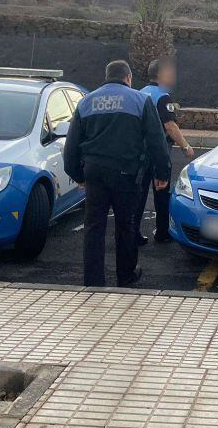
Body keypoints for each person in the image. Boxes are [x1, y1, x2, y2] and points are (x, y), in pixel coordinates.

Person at [64, 60, 170, 287]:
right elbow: (156, 140)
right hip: (126, 173)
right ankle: (126, 275)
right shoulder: (141, 100)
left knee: (94, 228)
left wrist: (78, 175)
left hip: (94, 173)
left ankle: (93, 281)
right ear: (128, 78)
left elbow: (71, 146)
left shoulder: (86, 102)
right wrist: (163, 172)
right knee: (126, 225)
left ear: (106, 76)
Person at [136, 58, 195, 245]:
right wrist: (185, 146)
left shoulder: (138, 93)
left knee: (139, 194)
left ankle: (133, 233)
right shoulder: (163, 96)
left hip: (139, 153)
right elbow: (170, 126)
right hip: (158, 153)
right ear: (160, 75)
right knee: (162, 192)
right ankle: (162, 232)